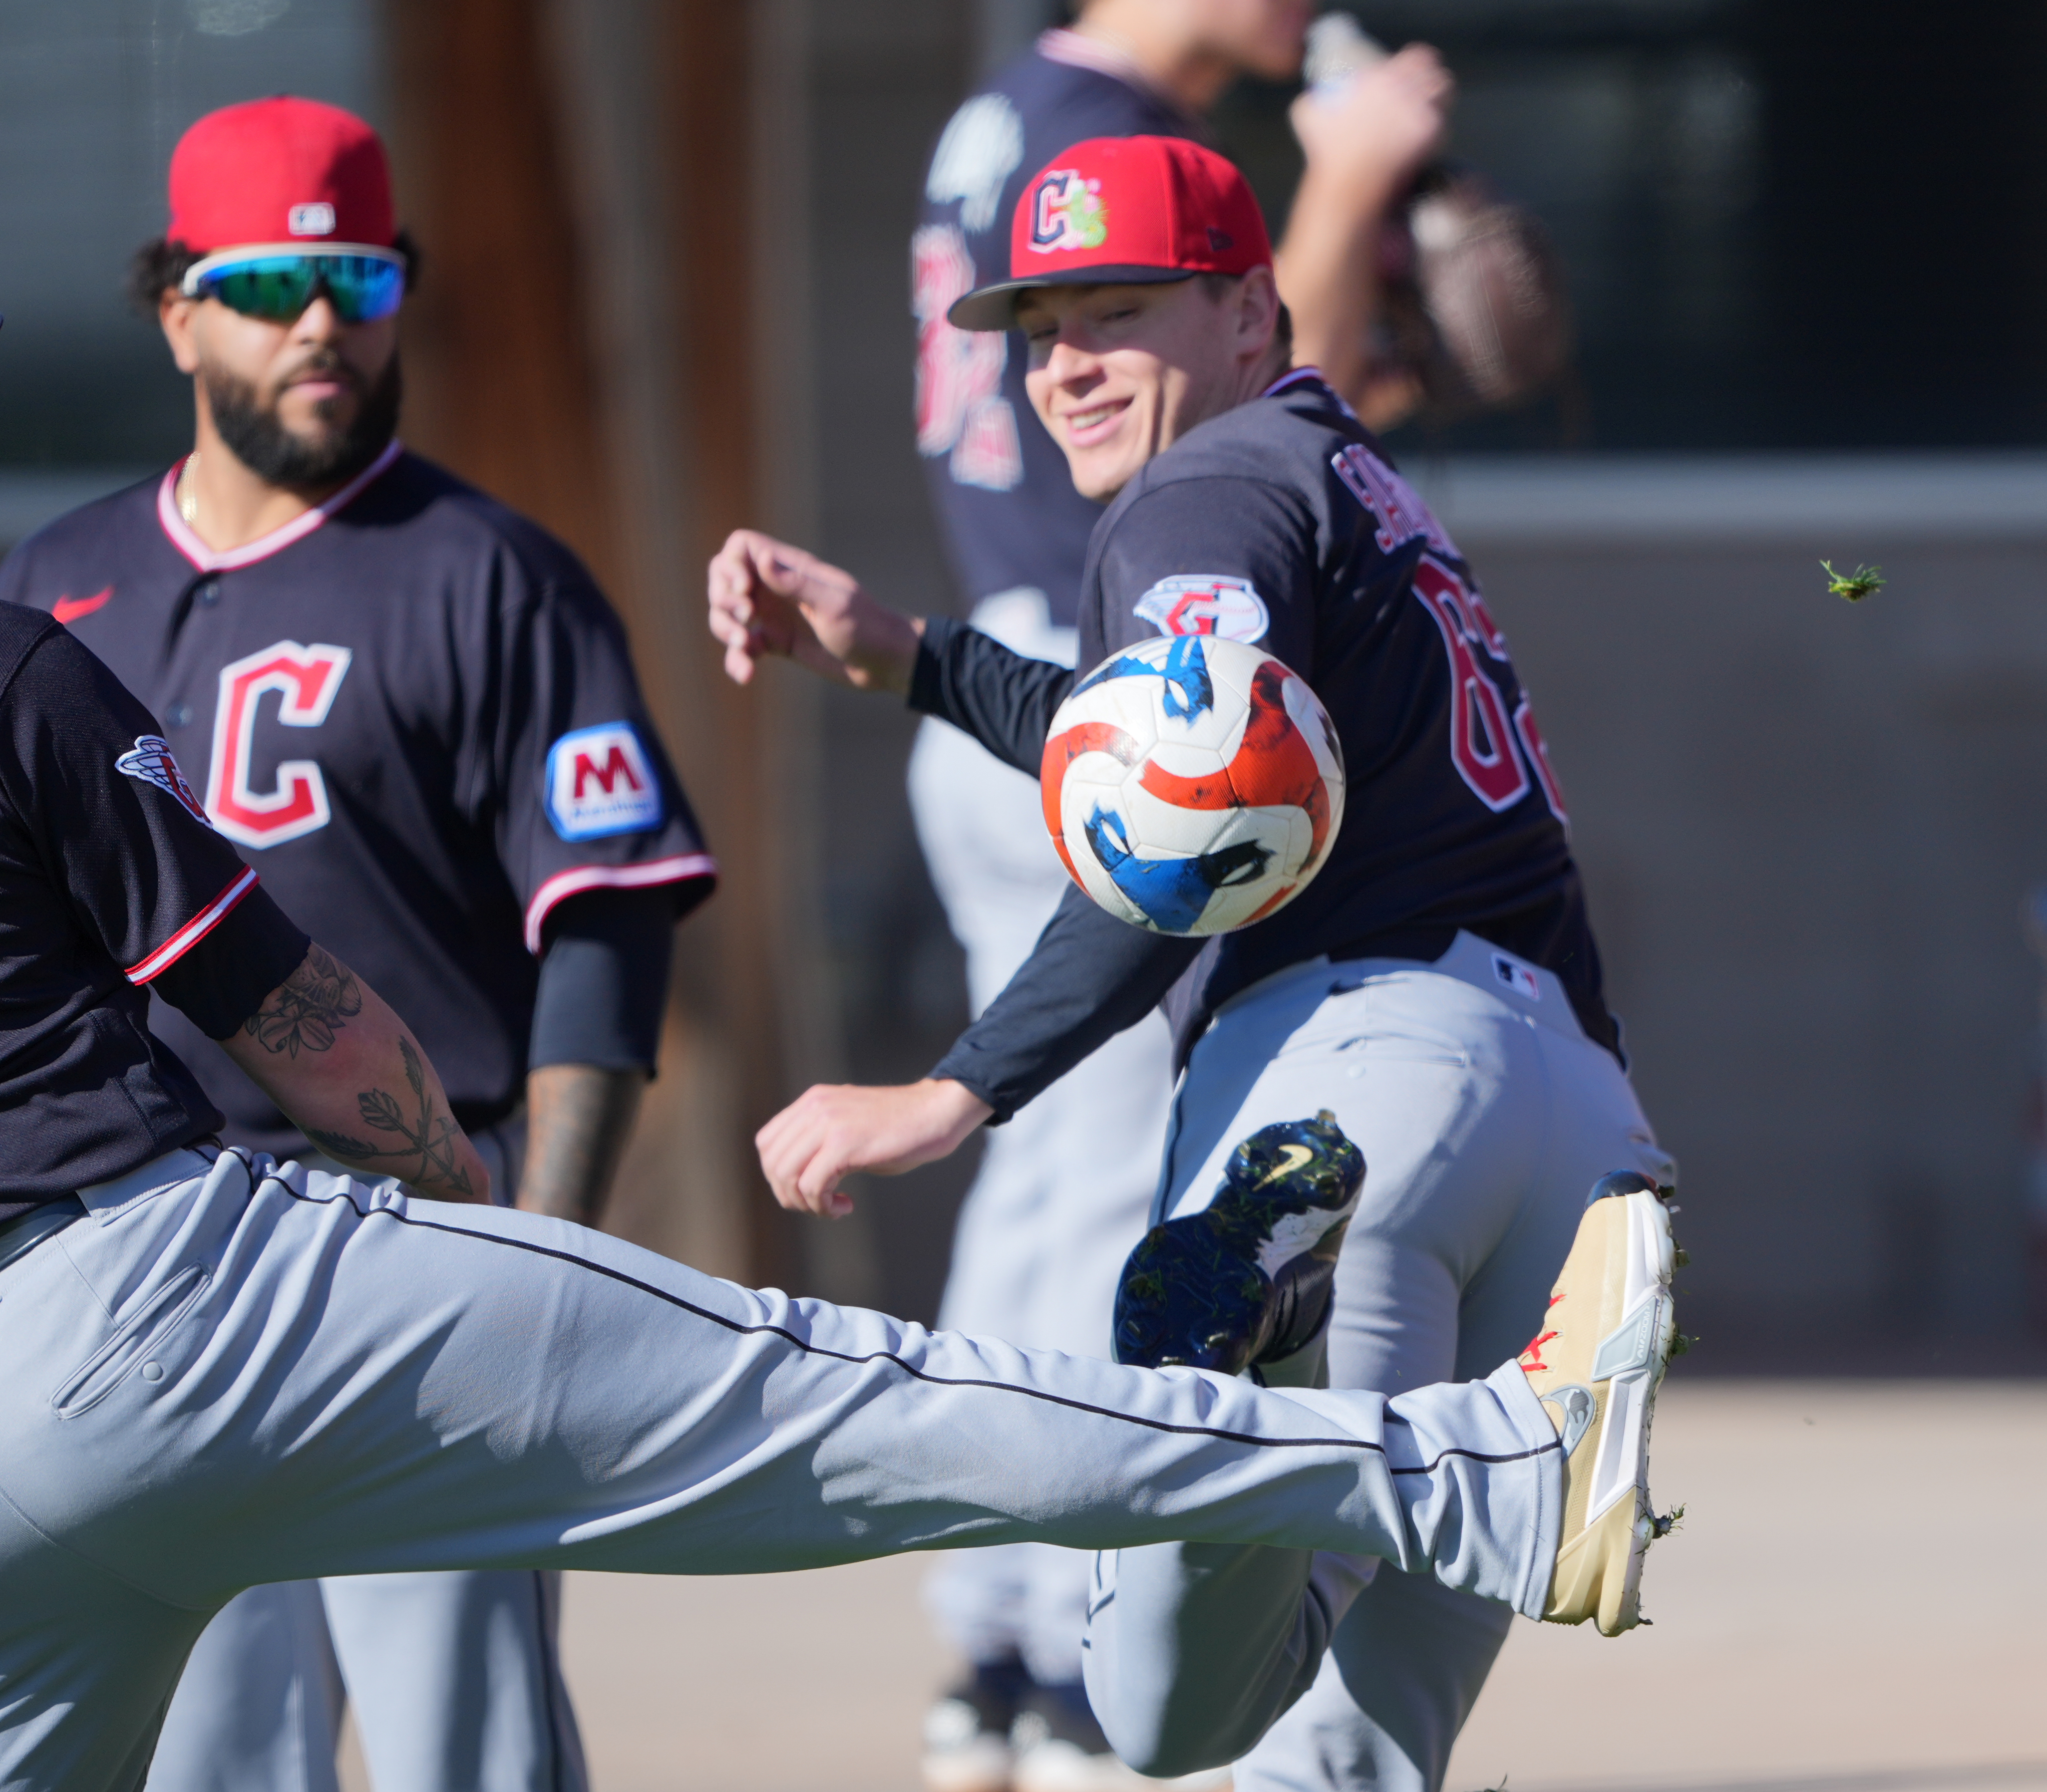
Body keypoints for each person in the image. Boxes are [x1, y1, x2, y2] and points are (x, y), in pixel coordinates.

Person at [0, 182, 1657, 1792]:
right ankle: (1477, 1470)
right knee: (856, 1401)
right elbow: (305, 1025)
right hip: (182, 1293)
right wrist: (463, 1206)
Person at [710, 135, 1675, 1792]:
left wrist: (956, 1091)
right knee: (1348, 1762)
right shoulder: (1338, 478)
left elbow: (1191, 821)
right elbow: (1202, 746)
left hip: (1359, 1104)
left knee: (1171, 1713)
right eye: (1039, 325)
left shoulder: (1198, 490)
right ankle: (1510, 1462)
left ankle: (1278, 1344)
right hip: (1581, 1140)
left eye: (1120, 308)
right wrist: (920, 662)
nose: (1066, 363)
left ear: (1248, 308)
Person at [0, 97, 714, 1792]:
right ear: (178, 307)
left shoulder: (491, 576)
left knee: (470, 1737)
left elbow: (603, 934)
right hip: (149, 1242)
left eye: (361, 283)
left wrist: (546, 1255)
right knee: (208, 1747)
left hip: (423, 1224)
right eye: (268, 282)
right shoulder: (54, 579)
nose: (321, 321)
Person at [908, 12, 1452, 1782]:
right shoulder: (1099, 128)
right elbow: (1243, 381)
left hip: (1051, 680)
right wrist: (1356, 175)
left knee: (1056, 1175)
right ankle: (1064, 1635)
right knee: (1115, 1178)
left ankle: (995, 1633)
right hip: (1136, 706)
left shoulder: (1020, 110)